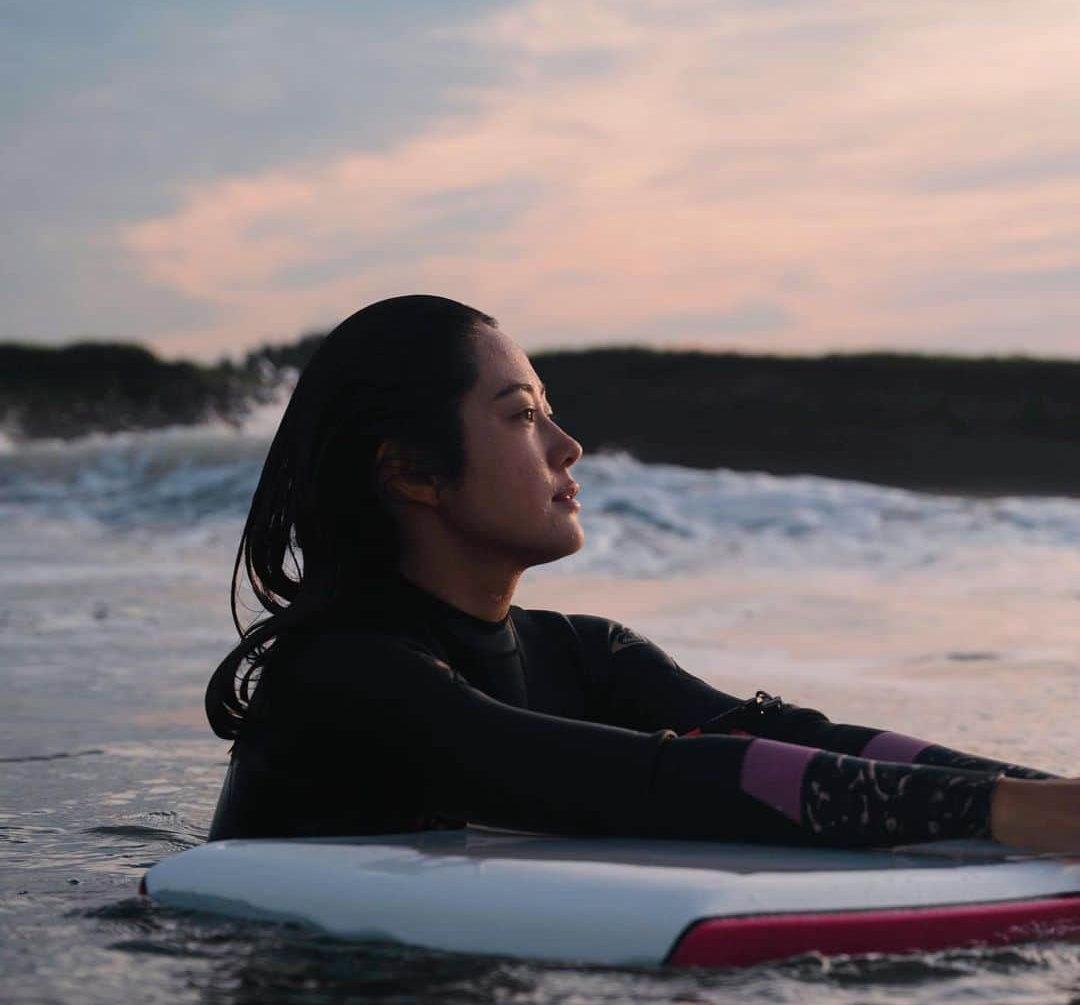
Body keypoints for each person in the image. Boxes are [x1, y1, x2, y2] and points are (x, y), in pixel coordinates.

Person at [205, 295, 1080, 854]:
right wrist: (998, 816)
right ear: (413, 475)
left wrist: (1033, 797)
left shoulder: (585, 655)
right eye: (520, 418)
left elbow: (781, 738)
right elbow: (640, 782)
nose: (566, 445)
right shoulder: (342, 676)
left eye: (550, 412)